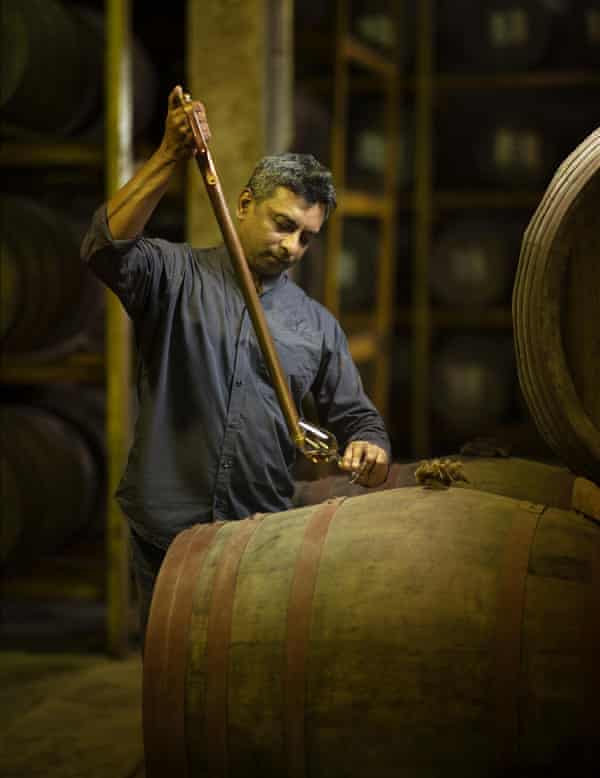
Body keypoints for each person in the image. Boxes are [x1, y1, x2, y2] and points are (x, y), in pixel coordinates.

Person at [81, 85, 391, 643]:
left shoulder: (316, 325)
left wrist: (373, 446)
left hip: (262, 533)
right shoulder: (173, 276)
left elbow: (359, 420)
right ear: (243, 204)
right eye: (282, 223)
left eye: (306, 237)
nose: (292, 245)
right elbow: (104, 246)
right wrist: (170, 155)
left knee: (247, 693)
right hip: (167, 531)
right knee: (174, 692)